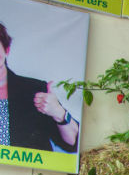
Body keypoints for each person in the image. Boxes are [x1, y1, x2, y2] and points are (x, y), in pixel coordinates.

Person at [0, 22, 78, 152]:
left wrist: (58, 112)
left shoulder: (34, 90)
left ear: (6, 50)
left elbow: (72, 143)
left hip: (28, 171)